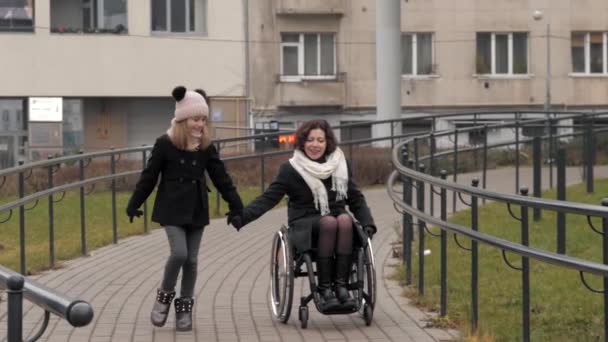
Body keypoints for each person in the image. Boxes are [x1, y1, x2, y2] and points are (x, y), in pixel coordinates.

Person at [126, 86, 243, 331]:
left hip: (196, 208)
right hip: (171, 208)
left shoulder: (206, 147)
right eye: (195, 119)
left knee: (191, 260)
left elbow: (221, 177)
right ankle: (164, 296)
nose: (200, 124)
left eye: (203, 119)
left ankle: (184, 310)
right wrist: (134, 203)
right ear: (182, 119)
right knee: (179, 253)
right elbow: (149, 177)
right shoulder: (164, 144)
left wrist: (236, 205)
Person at [229, 119, 376, 311]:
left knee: (344, 220)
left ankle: (341, 287)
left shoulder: (340, 165)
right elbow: (268, 199)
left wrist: (368, 222)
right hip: (305, 224)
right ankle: (325, 290)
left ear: (327, 143)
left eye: (320, 140)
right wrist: (242, 216)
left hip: (339, 221)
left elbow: (356, 199)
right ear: (302, 142)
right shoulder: (290, 169)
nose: (315, 145)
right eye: (310, 140)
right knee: (330, 222)